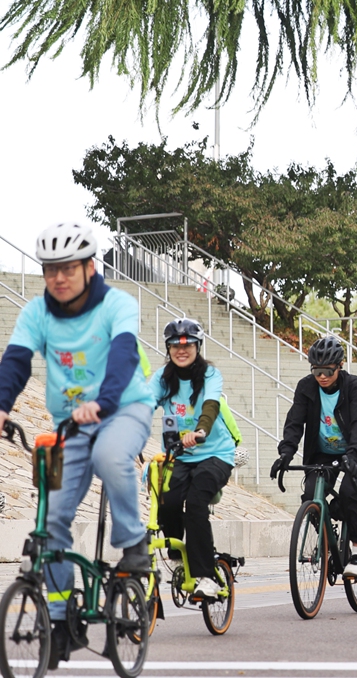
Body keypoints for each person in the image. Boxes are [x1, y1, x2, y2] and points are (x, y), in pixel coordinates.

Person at [0, 222, 156, 668]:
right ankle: (62, 615)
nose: (59, 278)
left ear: (90, 267)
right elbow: (15, 362)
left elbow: (125, 356)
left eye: (68, 268)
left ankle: (133, 544)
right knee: (50, 524)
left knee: (111, 455)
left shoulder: (118, 305)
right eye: (51, 270)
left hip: (124, 408)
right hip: (71, 424)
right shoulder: (36, 313)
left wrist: (103, 403)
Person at [273, 335, 357, 582]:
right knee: (311, 495)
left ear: (339, 366)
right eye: (316, 370)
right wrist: (286, 452)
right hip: (322, 453)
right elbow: (295, 421)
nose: (321, 376)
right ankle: (326, 530)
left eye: (328, 371)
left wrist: (352, 455)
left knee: (349, 494)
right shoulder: (306, 387)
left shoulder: (354, 387)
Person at [150, 318, 236, 599]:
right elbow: (144, 403)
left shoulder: (211, 374)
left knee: (196, 501)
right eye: (175, 345)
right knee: (168, 499)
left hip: (216, 454)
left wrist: (200, 430)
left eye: (187, 345)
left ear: (198, 347)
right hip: (181, 456)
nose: (181, 350)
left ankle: (206, 576)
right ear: (168, 348)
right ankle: (178, 556)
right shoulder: (163, 378)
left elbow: (210, 405)